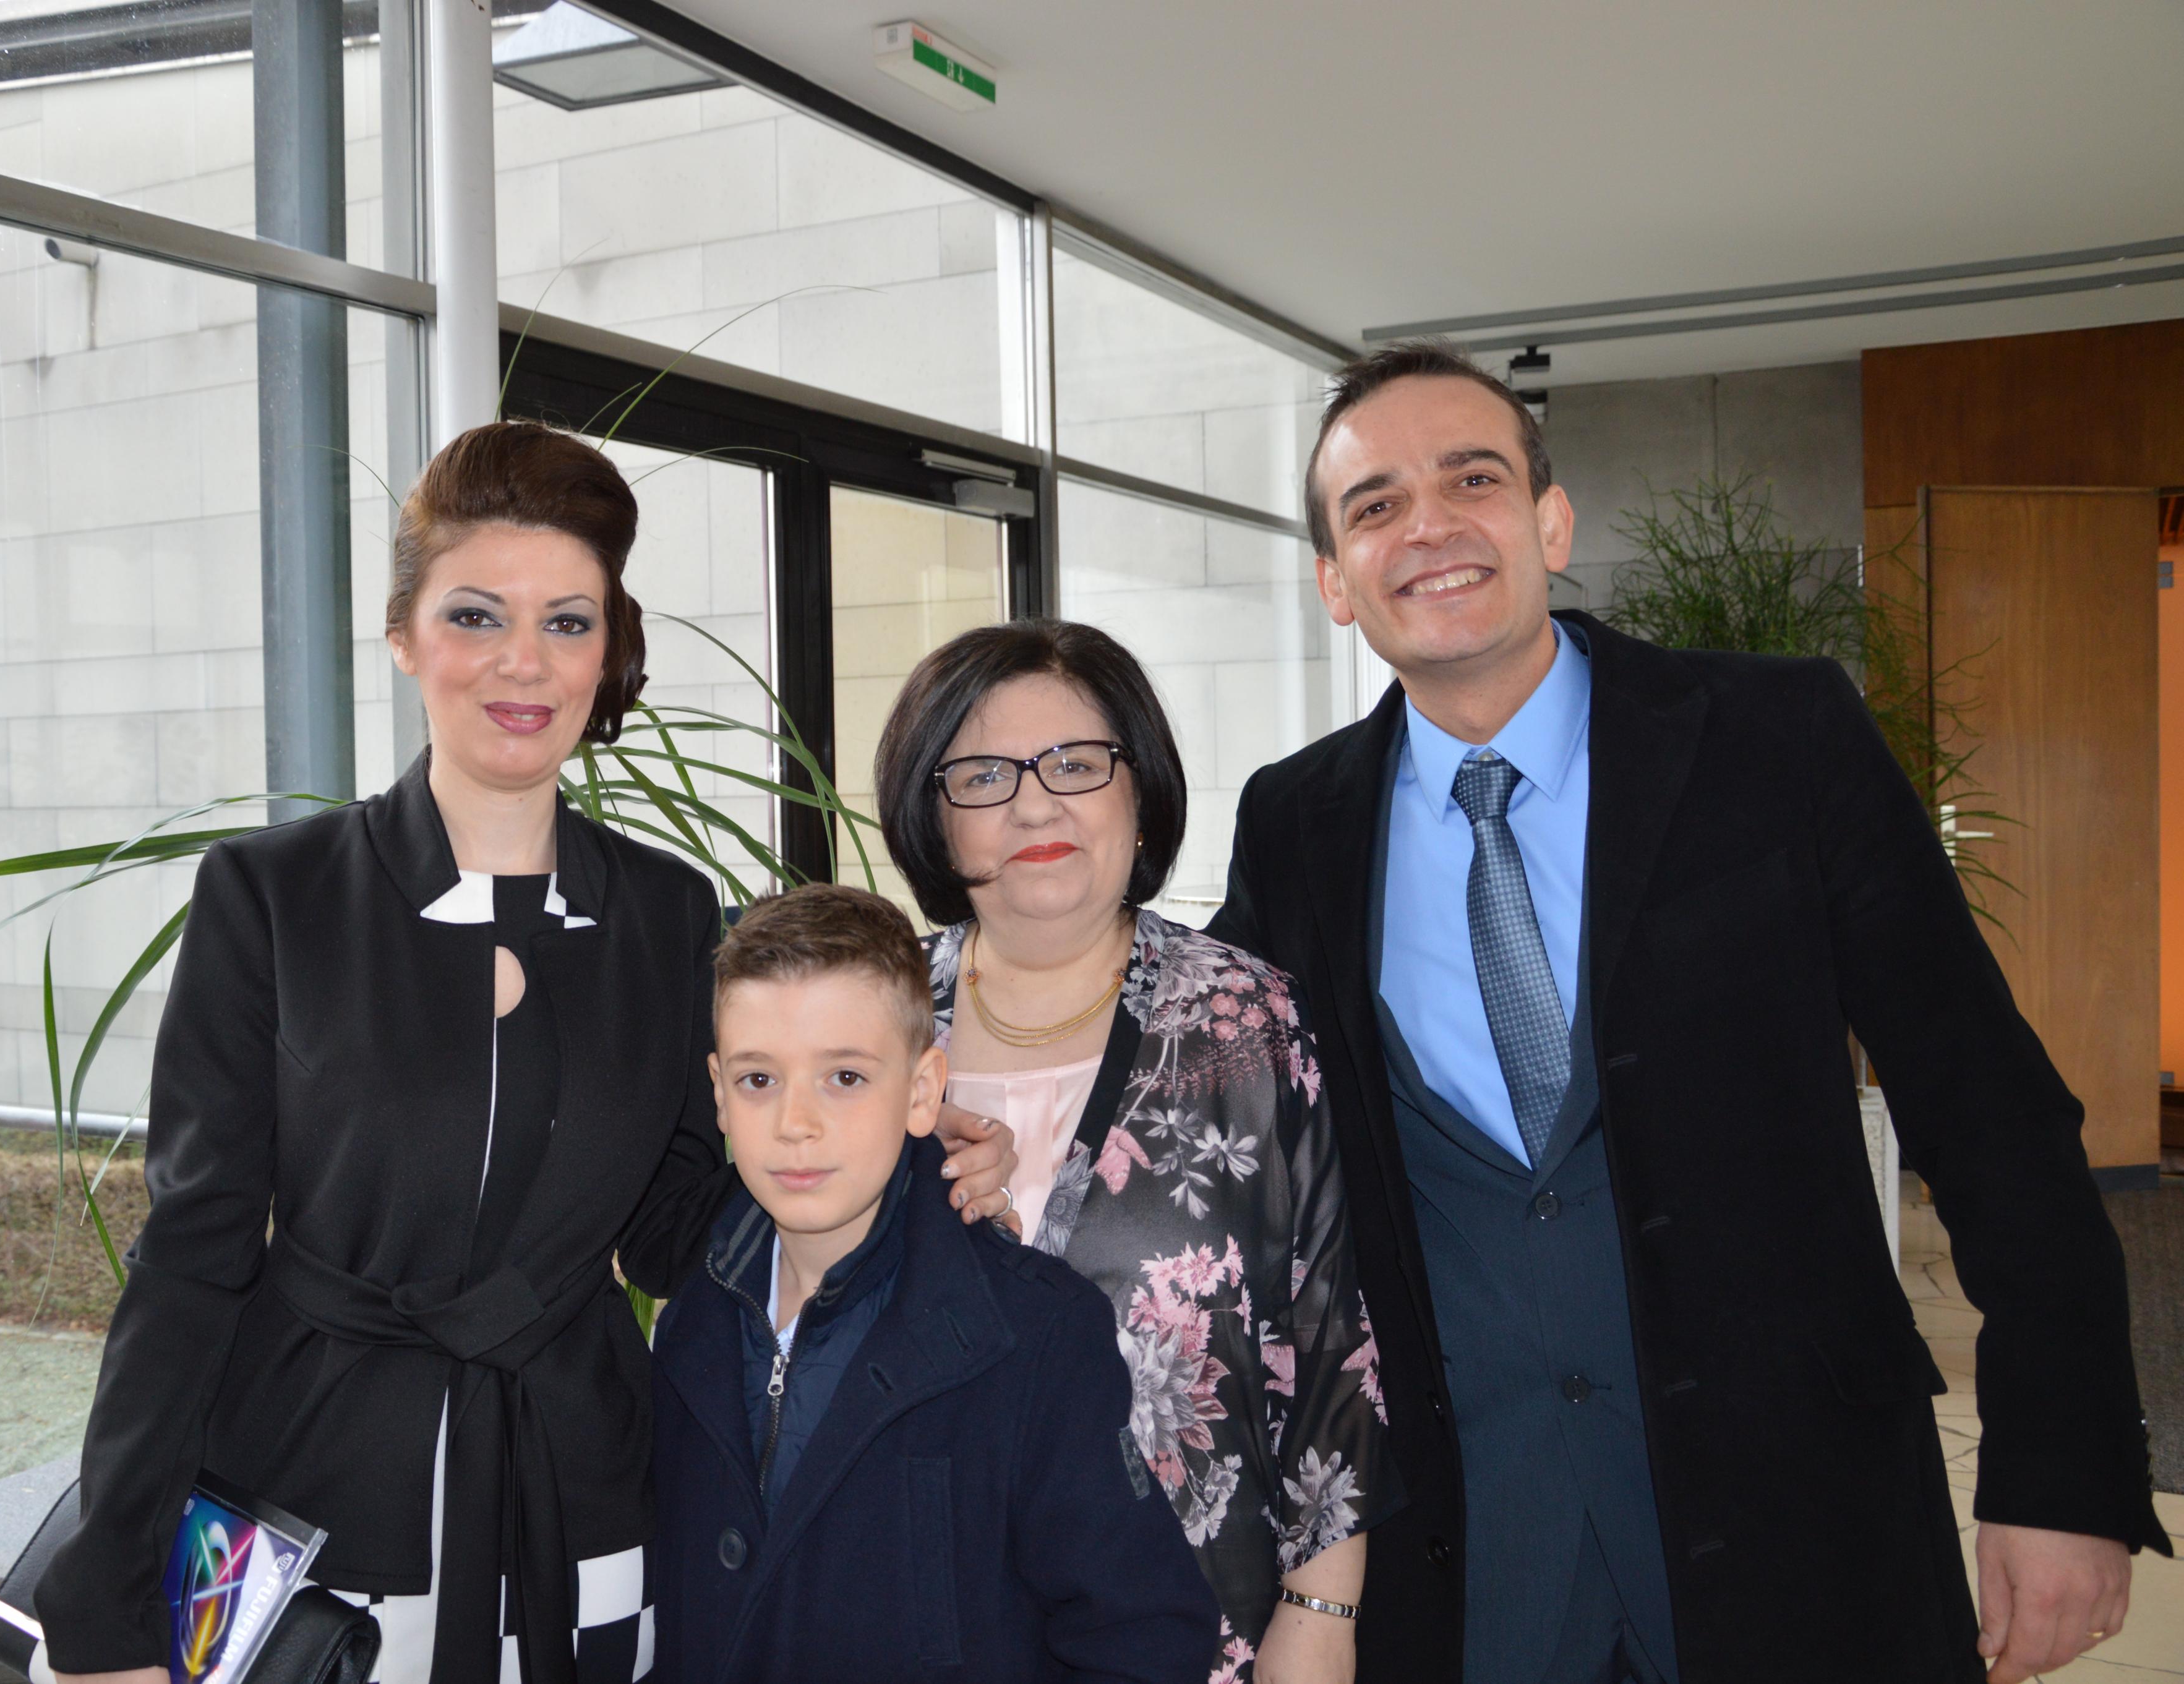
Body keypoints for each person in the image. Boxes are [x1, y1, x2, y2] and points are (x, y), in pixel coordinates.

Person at [1209, 342, 2169, 1684]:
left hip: (1794, 1518)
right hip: (1469, 1557)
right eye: (1374, 506)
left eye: (1471, 480)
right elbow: (1203, 1098)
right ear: (1332, 579)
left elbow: (1987, 1107)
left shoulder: (1779, 735)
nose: (1425, 526)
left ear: (1550, 522)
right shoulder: (1294, 820)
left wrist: (2059, 1472)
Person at [32, 422, 1017, 1684]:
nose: (523, 662)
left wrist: (894, 1159)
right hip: (309, 1498)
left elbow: (671, 1229)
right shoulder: (272, 897)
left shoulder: (666, 911)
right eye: (475, 615)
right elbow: (193, 1253)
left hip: (584, 1496)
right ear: (404, 636)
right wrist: (110, 1591)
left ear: (607, 652)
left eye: (567, 622)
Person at [873, 620, 1401, 1684]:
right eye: (983, 775)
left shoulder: (1248, 1021)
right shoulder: (869, 1028)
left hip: (1199, 1623)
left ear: (1140, 790)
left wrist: (1320, 1613)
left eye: (1076, 763)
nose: (1035, 806)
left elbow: (1332, 1334)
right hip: (914, 1619)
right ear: (933, 815)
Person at [648, 883, 1220, 1682]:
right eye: (759, 1081)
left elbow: (1147, 1637)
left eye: (845, 1077)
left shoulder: (1035, 1337)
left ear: (922, 1092)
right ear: (718, 1093)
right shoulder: (690, 1327)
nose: (795, 1123)